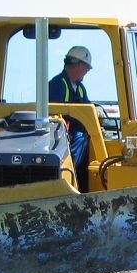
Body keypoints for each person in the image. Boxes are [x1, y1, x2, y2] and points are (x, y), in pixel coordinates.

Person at [48, 45, 93, 189]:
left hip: (72, 130)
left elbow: (87, 111)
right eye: (87, 68)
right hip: (60, 133)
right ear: (79, 65)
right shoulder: (57, 85)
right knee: (81, 137)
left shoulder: (80, 88)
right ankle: (68, 172)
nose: (86, 72)